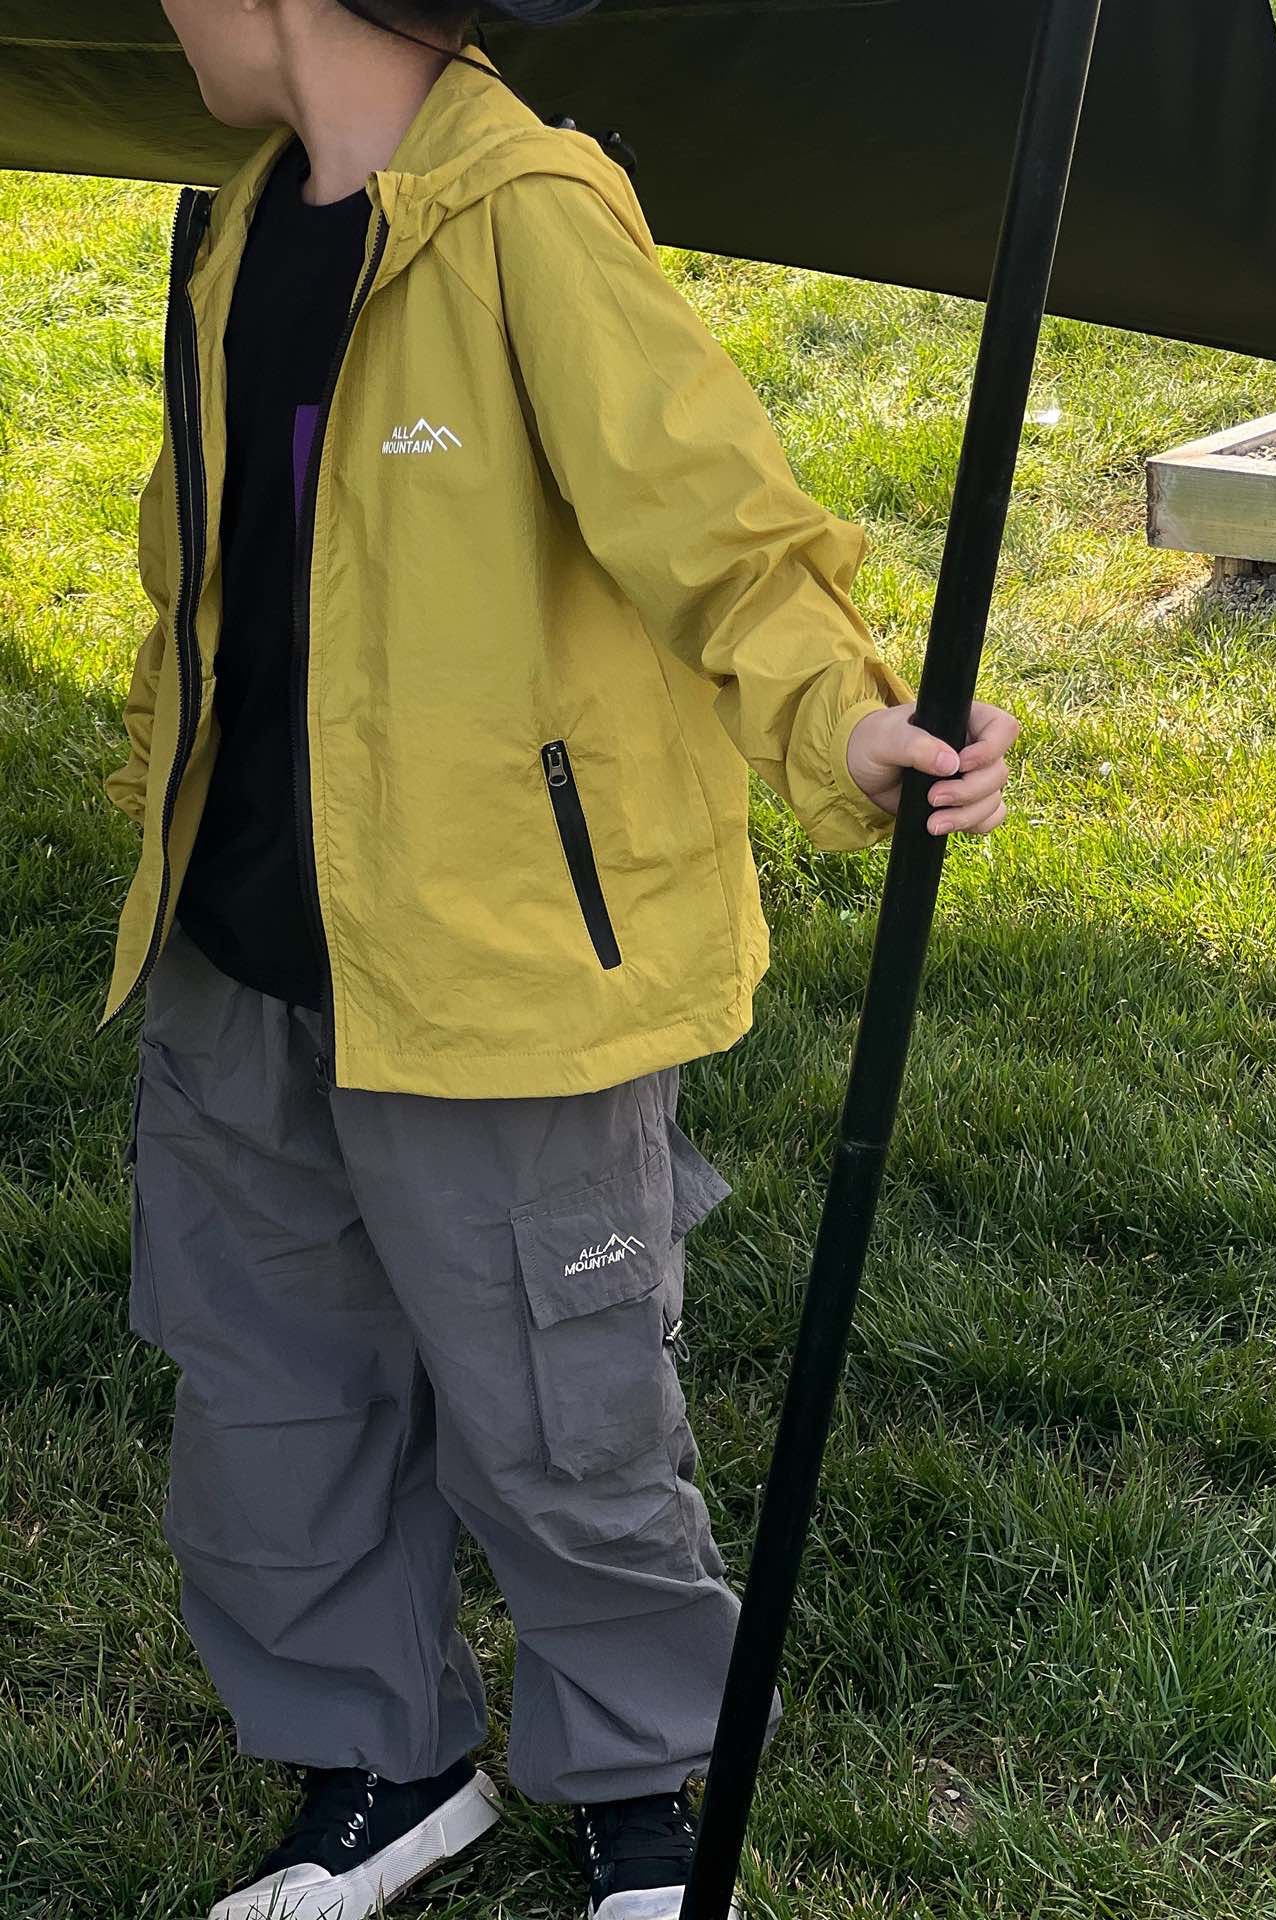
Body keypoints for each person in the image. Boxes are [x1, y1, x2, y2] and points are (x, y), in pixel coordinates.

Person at [102, 1, 1020, 1915]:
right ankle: (382, 1765)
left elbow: (723, 530)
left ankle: (647, 1790)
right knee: (270, 1395)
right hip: (245, 947)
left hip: (505, 970)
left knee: (559, 1417)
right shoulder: (240, 218)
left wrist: (851, 722)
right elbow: (206, 578)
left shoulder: (526, 209)